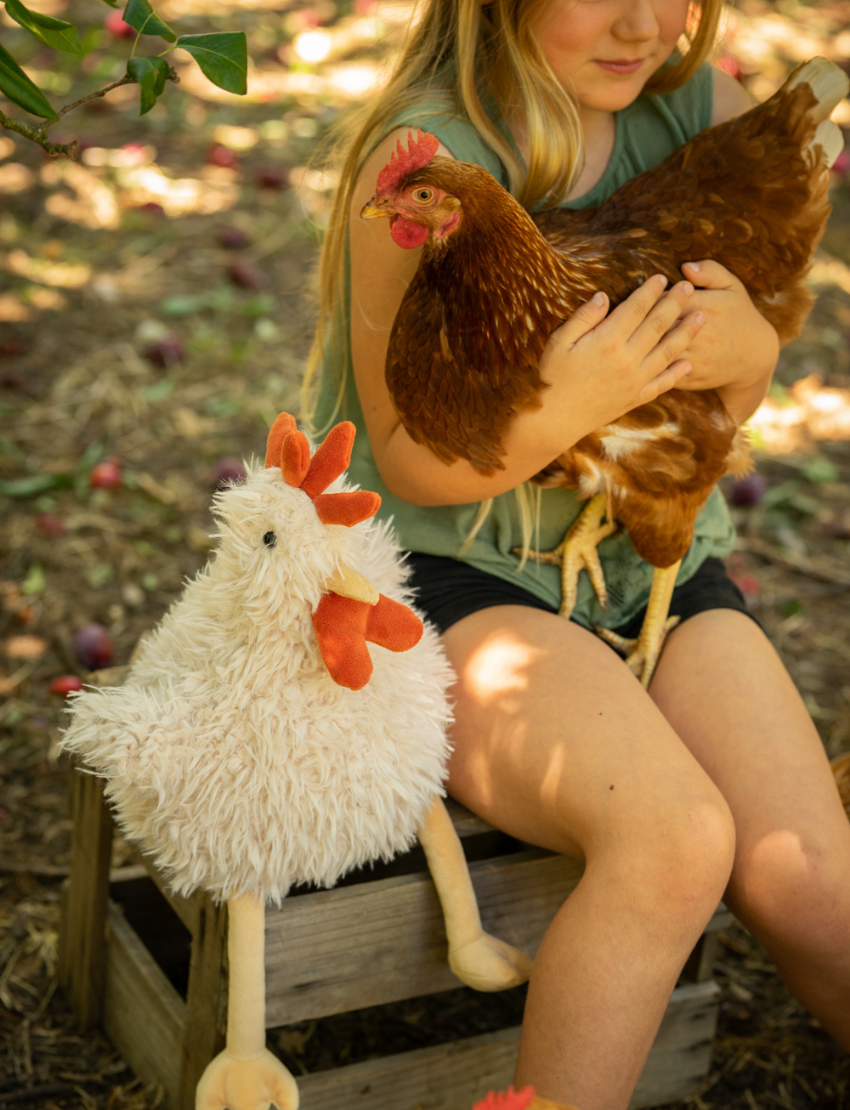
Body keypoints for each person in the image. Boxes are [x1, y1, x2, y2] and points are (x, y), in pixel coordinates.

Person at [302, 1, 850, 1106]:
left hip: (651, 563)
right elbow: (406, 460)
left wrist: (753, 352)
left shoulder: (705, 114)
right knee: (673, 842)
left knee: (815, 884)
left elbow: (718, 402)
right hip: (452, 574)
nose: (644, 21)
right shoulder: (425, 164)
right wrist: (567, 403)